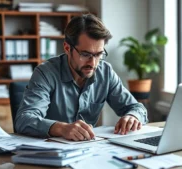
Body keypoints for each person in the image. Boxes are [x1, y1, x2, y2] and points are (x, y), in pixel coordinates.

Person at [15, 14, 148, 141]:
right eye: (85, 54)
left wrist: (132, 116)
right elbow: (23, 120)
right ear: (67, 48)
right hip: (49, 154)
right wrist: (62, 128)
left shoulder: (105, 72)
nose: (93, 63)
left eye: (98, 54)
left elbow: (137, 108)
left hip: (89, 151)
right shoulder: (45, 73)